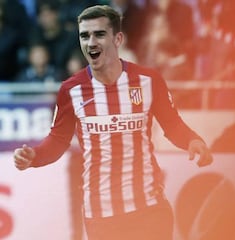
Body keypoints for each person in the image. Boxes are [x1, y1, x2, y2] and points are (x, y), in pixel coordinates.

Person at [13, 5, 213, 240]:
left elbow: (172, 124)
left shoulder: (149, 81)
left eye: (99, 34)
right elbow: (58, 141)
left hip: (149, 207)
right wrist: (33, 157)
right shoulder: (71, 90)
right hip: (101, 216)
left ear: (118, 38)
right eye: (84, 35)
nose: (90, 42)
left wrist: (191, 140)